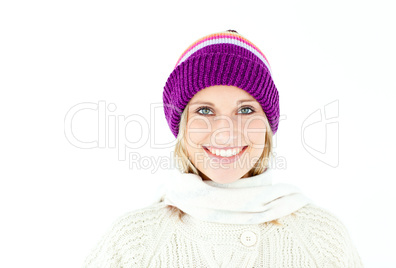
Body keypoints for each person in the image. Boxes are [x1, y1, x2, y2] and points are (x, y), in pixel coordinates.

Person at [83, 30, 364, 267]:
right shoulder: (134, 243)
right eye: (205, 111)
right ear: (182, 128)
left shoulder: (322, 239)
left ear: (267, 126)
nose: (225, 131)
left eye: (245, 109)